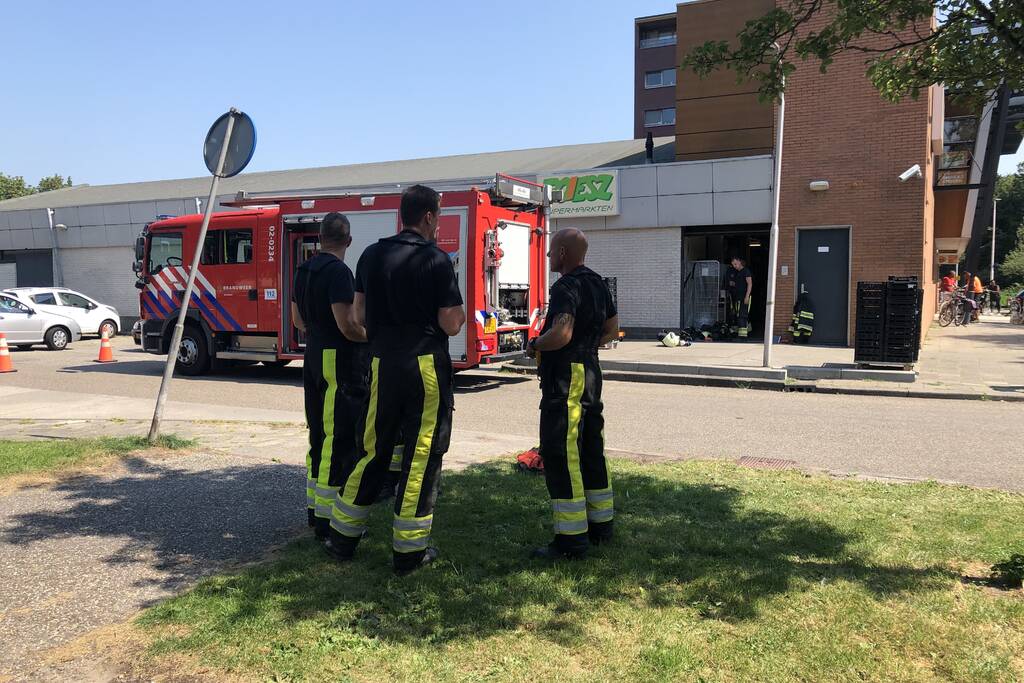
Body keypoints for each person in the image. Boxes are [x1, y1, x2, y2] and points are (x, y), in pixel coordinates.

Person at [325, 184, 465, 575]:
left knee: (372, 449)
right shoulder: (436, 260)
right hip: (424, 367)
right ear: (429, 218)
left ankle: (341, 538)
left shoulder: (370, 256)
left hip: (382, 364)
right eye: (437, 217)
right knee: (421, 454)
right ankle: (409, 552)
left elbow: (357, 318)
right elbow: (451, 324)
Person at [527, 228, 619, 560]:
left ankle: (570, 541)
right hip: (591, 373)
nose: (550, 257)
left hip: (567, 379)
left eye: (551, 252)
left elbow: (561, 333)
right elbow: (612, 328)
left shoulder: (566, 286)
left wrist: (535, 344)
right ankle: (601, 527)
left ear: (563, 252)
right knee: (592, 448)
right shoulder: (599, 284)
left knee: (561, 453)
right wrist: (587, 345)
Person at [291, 212, 369, 542]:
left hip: (313, 354)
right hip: (337, 359)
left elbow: (297, 320)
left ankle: (315, 512)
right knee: (338, 436)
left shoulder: (304, 269)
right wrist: (372, 337)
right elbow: (348, 326)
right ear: (348, 241)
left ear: (320, 237)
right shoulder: (339, 273)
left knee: (320, 434)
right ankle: (328, 520)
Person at [726, 256, 753, 339]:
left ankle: (743, 336)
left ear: (739, 262)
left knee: (742, 316)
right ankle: (742, 334)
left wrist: (747, 296)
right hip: (738, 298)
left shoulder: (746, 271)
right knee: (738, 315)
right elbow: (739, 284)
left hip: (744, 297)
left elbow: (749, 284)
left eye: (735, 264)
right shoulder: (737, 272)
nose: (734, 266)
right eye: (733, 265)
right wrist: (733, 284)